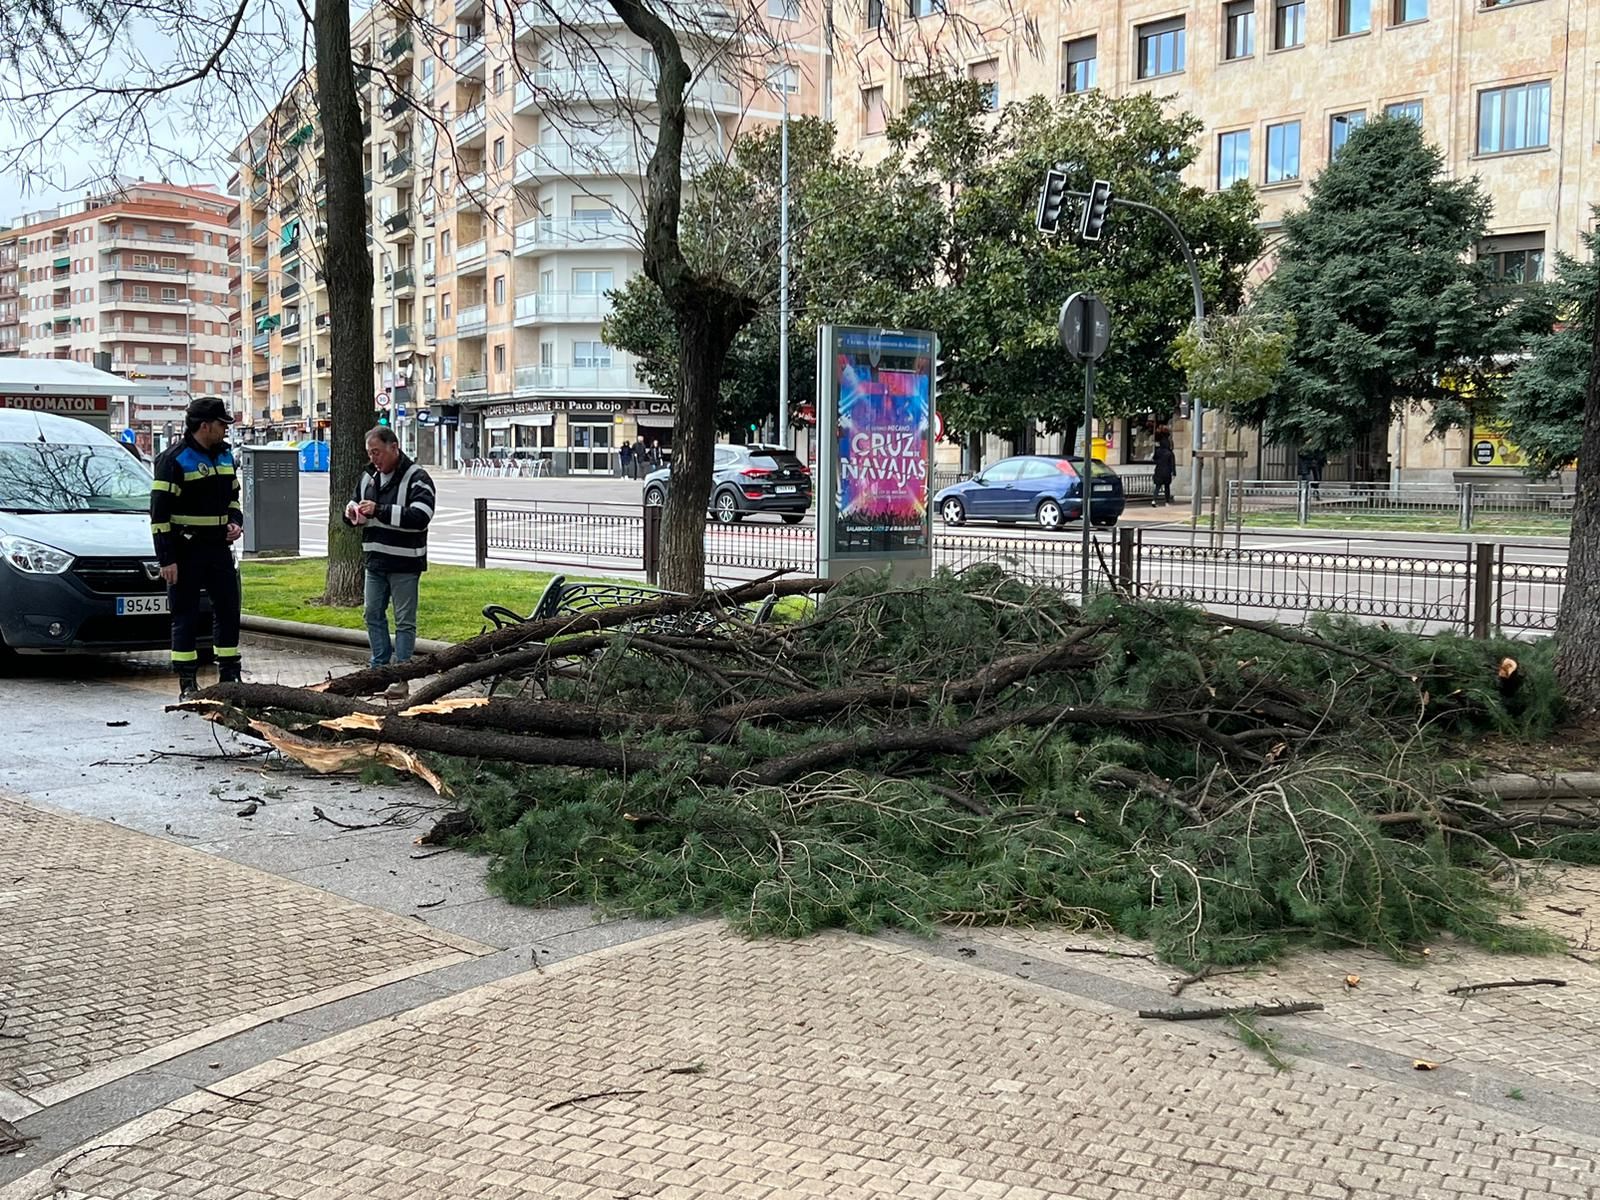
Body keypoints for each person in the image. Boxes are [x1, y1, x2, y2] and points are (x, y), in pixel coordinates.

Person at [150, 397, 244, 700]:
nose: (225, 431)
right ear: (205, 426)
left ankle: (229, 675)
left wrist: (235, 521)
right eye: (221, 425)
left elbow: (233, 497)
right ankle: (187, 682)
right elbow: (159, 517)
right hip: (185, 550)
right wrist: (167, 559)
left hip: (218, 548)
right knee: (185, 615)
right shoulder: (174, 460)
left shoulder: (225, 456)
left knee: (228, 609)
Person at [344, 426, 436, 700]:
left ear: (394, 447)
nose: (374, 459)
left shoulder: (417, 477)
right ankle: (379, 667)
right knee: (372, 613)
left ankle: (400, 676)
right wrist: (351, 513)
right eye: (370, 453)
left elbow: (421, 516)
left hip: (405, 562)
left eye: (377, 452)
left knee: (404, 621)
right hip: (375, 560)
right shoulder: (368, 477)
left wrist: (379, 510)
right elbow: (353, 507)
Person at [1151, 428, 1177, 506]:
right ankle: (1167, 501)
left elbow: (1154, 459)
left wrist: (1158, 462)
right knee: (1167, 487)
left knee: (1157, 487)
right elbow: (1172, 464)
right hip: (1167, 471)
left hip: (1158, 470)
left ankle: (1154, 500)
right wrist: (1174, 472)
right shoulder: (1170, 453)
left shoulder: (1158, 451)